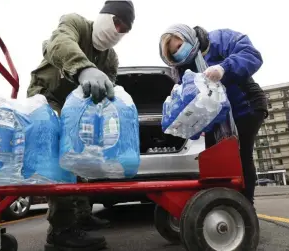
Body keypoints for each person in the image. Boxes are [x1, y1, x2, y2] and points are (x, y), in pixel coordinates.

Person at [27, 1, 135, 250]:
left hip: (79, 108)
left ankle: (82, 214)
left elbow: (109, 87)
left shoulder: (110, 57)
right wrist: (84, 68)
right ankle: (61, 230)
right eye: (116, 21)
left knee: (83, 152)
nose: (117, 30)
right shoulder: (75, 23)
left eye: (124, 29)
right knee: (61, 154)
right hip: (48, 97)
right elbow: (59, 42)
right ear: (105, 15)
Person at [158, 24, 268, 206]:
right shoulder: (183, 68)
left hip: (246, 105)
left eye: (179, 45)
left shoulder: (219, 39)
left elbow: (252, 55)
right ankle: (223, 203)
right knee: (214, 158)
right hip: (216, 117)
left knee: (240, 154)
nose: (179, 52)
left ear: (186, 36)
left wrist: (223, 68)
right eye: (174, 52)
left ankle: (245, 207)